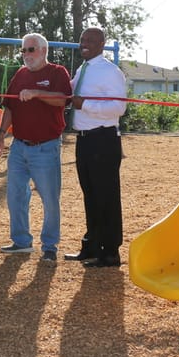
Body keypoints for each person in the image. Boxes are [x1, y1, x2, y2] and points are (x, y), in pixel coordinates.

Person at [0, 33, 72, 262]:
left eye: (30, 49)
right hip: (19, 147)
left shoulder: (58, 72)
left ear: (43, 50)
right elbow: (9, 107)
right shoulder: (19, 74)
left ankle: (50, 245)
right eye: (23, 50)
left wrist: (37, 93)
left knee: (49, 198)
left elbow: (63, 99)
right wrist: (0, 135)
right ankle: (21, 242)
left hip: (46, 147)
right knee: (16, 196)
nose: (26, 54)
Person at [63, 27, 128, 268]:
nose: (85, 43)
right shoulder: (83, 69)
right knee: (90, 195)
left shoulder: (110, 72)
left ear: (102, 44)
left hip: (103, 139)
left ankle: (110, 252)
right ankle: (91, 246)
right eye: (82, 40)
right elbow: (69, 93)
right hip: (84, 140)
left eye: (91, 40)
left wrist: (85, 105)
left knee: (106, 197)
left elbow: (119, 108)